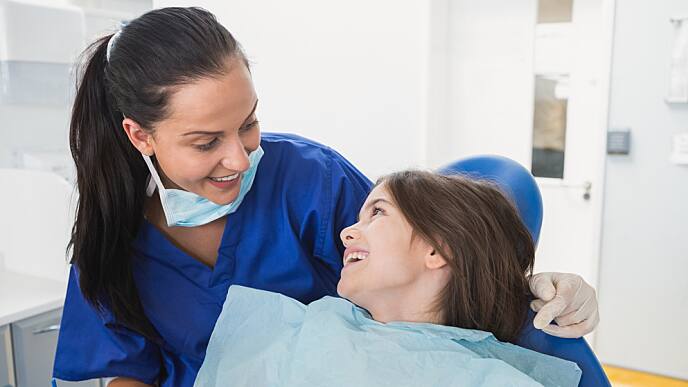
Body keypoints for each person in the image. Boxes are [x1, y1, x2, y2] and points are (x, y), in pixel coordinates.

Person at [52, 7, 600, 387]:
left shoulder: (308, 179)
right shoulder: (112, 234)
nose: (241, 160)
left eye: (249, 124)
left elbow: (423, 266)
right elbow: (128, 369)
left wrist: (531, 289)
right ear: (140, 135)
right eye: (205, 142)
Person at [194, 171, 582, 387]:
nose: (347, 232)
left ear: (438, 250)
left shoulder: (487, 380)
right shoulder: (298, 334)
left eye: (376, 213)